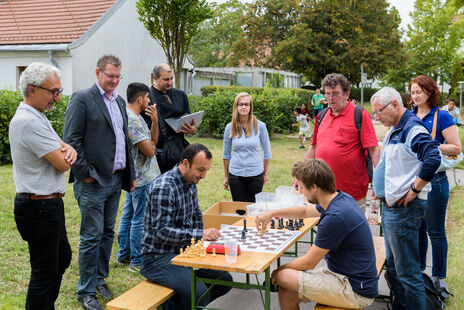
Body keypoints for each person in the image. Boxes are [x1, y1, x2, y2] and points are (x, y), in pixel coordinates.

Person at [255, 159, 378, 309]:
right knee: (286, 292)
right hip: (341, 274)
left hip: (355, 289)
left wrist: (277, 272)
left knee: (284, 276)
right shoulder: (339, 199)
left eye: (301, 187)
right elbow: (305, 211)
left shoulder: (335, 217)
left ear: (314, 187)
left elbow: (309, 262)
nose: (300, 192)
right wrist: (272, 213)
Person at [63, 55, 135, 310]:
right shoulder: (82, 99)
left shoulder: (120, 101)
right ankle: (85, 292)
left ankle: (100, 279)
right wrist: (85, 174)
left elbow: (124, 142)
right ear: (98, 73)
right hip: (93, 183)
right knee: (91, 236)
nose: (114, 80)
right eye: (110, 76)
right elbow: (71, 140)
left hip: (116, 180)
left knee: (107, 233)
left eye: (118, 76)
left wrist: (130, 175)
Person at [9, 62, 76, 310]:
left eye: (58, 91)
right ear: (33, 89)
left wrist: (70, 149)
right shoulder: (29, 121)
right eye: (53, 91)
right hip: (38, 206)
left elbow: (65, 147)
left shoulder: (38, 116)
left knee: (61, 258)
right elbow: (62, 161)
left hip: (47, 204)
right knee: (44, 271)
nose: (57, 98)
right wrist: (67, 151)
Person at [371, 87, 441, 310]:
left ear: (394, 104)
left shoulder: (411, 128)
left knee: (408, 272)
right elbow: (392, 164)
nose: (377, 117)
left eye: (379, 111)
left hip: (403, 211)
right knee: (394, 267)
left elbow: (433, 157)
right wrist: (380, 186)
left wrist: (414, 189)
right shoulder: (396, 127)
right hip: (393, 209)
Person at [140, 143, 233, 310]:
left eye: (206, 170)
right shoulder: (164, 188)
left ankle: (179, 305)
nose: (204, 175)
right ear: (185, 163)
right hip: (157, 258)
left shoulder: (190, 181)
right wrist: (200, 235)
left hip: (183, 252)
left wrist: (198, 244)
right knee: (198, 293)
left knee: (224, 281)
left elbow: (197, 215)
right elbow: (162, 232)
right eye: (200, 169)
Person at [409, 76, 462, 281]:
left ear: (430, 92)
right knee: (418, 231)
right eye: (413, 92)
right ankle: (421, 276)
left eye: (419, 91)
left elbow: (456, 147)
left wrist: (430, 145)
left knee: (436, 232)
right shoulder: (410, 115)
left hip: (436, 181)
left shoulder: (442, 116)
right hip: (414, 180)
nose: (415, 96)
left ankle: (439, 281)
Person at [305, 73, 380, 213]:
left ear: (347, 93)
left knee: (352, 233)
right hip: (323, 191)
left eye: (335, 94)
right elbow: (313, 147)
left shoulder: (360, 115)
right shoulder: (321, 116)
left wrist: (379, 181)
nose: (330, 98)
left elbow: (373, 150)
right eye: (327, 94)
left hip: (352, 193)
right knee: (327, 232)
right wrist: (302, 177)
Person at [116, 83, 161, 273]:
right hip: (142, 178)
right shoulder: (132, 121)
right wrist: (151, 140)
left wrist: (155, 122)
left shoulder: (136, 117)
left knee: (129, 214)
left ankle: (124, 254)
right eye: (148, 98)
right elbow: (151, 151)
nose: (150, 101)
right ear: (140, 99)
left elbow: (154, 141)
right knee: (139, 218)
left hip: (137, 177)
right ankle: (136, 260)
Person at [142, 63, 196, 173]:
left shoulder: (181, 95)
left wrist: (192, 130)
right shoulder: (146, 98)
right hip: (159, 153)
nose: (170, 82)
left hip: (179, 149)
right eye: (166, 79)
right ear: (155, 78)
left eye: (172, 78)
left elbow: (188, 119)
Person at [222, 92, 272, 202]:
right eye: (241, 104)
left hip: (256, 175)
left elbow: (267, 153)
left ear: (250, 107)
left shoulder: (261, 126)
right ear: (236, 107)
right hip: (235, 175)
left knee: (253, 209)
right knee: (239, 210)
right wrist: (226, 176)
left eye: (247, 104)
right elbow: (226, 155)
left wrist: (265, 172)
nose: (244, 107)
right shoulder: (229, 128)